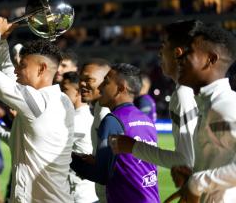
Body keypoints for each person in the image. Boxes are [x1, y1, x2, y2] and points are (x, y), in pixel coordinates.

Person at [0, 17, 74, 202]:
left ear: (42, 69)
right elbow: (9, 76)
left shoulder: (36, 103)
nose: (17, 69)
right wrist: (3, 41)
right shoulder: (59, 99)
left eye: (22, 65)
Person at [110, 20, 201, 171]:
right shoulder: (195, 89)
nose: (159, 53)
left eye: (163, 45)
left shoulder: (184, 94)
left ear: (177, 53)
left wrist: (133, 147)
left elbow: (186, 162)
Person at [166, 23, 236, 202]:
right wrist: (194, 174)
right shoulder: (207, 104)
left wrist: (197, 182)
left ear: (211, 59)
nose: (179, 55)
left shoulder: (225, 105)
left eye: (189, 51)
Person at [71, 63, 160, 203]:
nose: (100, 88)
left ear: (121, 88)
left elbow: (102, 174)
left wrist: (70, 159)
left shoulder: (113, 120)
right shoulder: (146, 120)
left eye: (106, 82)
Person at [60, 71, 99, 203]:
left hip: (80, 195)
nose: (60, 94)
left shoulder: (77, 121)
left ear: (78, 92)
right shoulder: (84, 118)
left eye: (64, 89)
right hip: (82, 192)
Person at [78, 58, 111, 203]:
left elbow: (110, 167)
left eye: (88, 79)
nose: (82, 84)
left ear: (106, 82)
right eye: (81, 79)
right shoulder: (99, 108)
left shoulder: (107, 114)